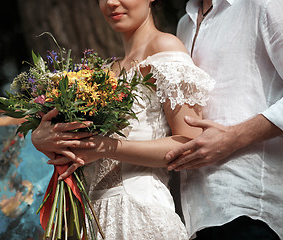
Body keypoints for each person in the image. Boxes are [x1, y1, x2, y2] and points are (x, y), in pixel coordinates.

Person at [31, 0, 215, 239]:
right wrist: (41, 138)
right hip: (97, 217)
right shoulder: (105, 72)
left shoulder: (165, 47)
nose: (111, 2)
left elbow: (189, 144)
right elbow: (80, 147)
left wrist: (106, 147)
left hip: (141, 214)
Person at [164, 0, 283, 239]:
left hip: (248, 207)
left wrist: (233, 137)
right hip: (191, 216)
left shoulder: (265, 4)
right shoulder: (184, 24)